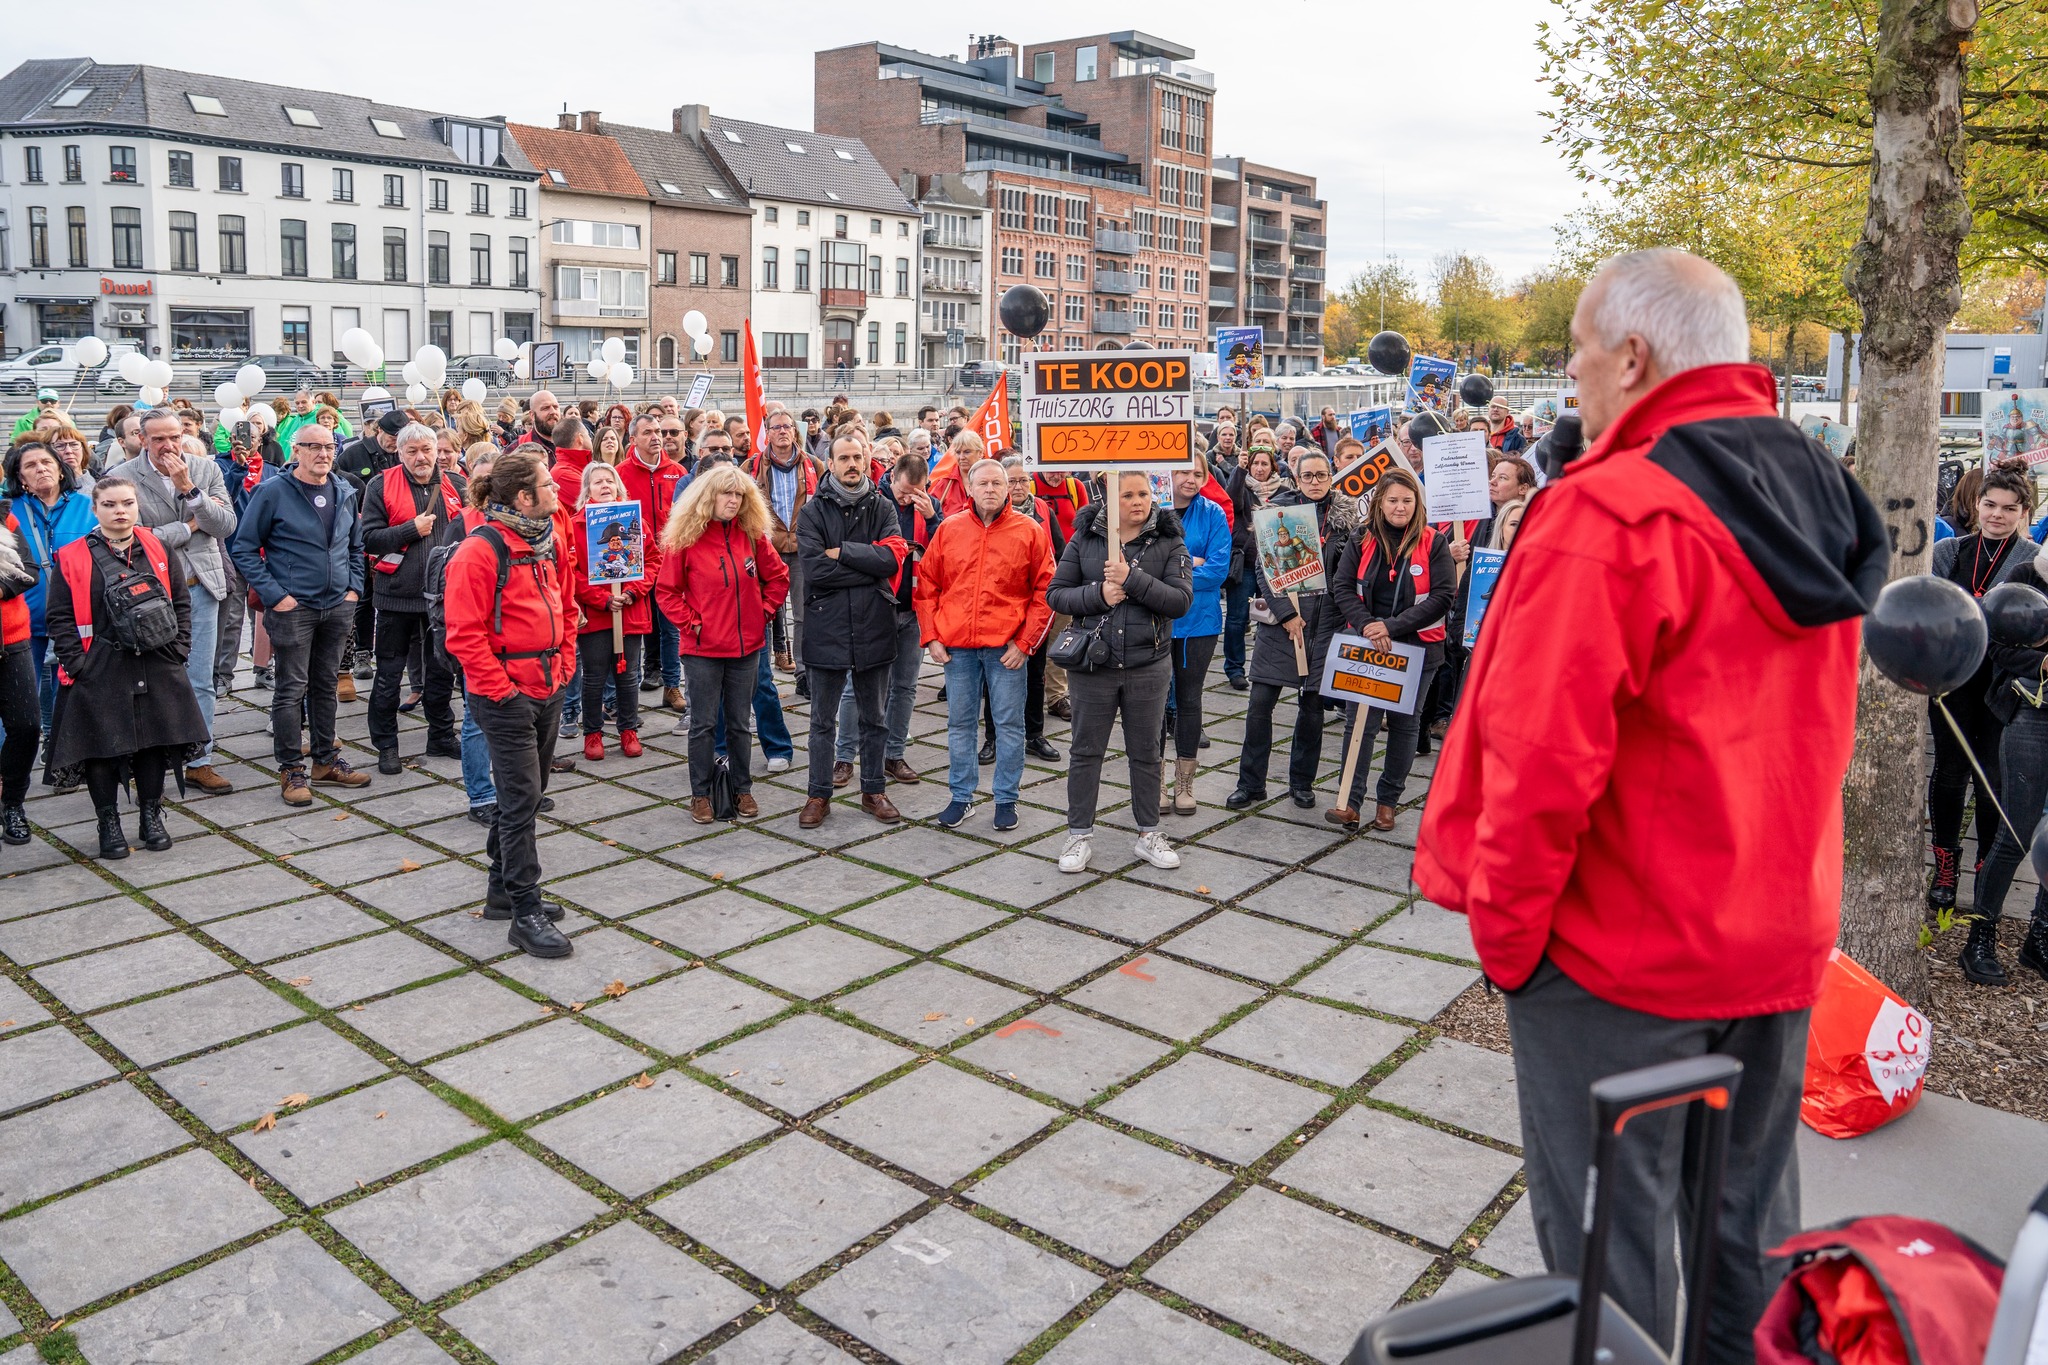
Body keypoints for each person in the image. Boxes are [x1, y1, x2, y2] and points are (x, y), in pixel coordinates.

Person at [1415, 248, 1888, 1363]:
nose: (1568, 378)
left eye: (1577, 353)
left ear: (1631, 357)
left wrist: (1508, 940)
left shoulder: (1611, 514)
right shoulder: (1815, 491)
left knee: (1604, 1264)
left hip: (1619, 953)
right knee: (1747, 1239)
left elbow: (1538, 764)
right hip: (1772, 937)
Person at [443, 449, 577, 959]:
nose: (558, 490)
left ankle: (502, 889)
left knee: (530, 791)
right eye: (548, 484)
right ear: (524, 496)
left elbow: (565, 607)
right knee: (523, 803)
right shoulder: (479, 551)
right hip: (506, 696)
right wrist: (503, 691)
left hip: (547, 686)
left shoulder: (549, 539)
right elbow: (464, 635)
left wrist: (563, 667)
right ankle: (525, 910)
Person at [43, 478, 211, 858]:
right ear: (95, 509)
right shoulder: (71, 556)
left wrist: (179, 648)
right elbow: (59, 616)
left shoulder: (158, 545)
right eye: (109, 504)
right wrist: (78, 663)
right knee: (101, 748)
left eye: (127, 503)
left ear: (137, 506)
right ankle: (109, 823)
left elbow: (180, 601)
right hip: (99, 663)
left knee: (153, 743)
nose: (120, 511)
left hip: (157, 660)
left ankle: (151, 815)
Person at [1047, 470, 1195, 871]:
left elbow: (1180, 602)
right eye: (1127, 494)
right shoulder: (1086, 538)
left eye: (1143, 493)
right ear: (1110, 501)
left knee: (1147, 752)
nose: (1137, 501)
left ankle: (1149, 832)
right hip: (1093, 667)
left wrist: (1133, 579)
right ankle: (1078, 835)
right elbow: (1056, 594)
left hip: (1148, 665)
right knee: (1085, 751)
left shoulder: (1170, 541)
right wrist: (1098, 594)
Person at [229, 420, 372, 807]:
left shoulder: (343, 490)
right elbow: (243, 547)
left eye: (329, 447)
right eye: (313, 447)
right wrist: (277, 595)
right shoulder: (272, 492)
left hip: (337, 606)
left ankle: (325, 760)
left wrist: (353, 590)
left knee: (325, 684)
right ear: (297, 450)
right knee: (292, 689)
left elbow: (355, 547)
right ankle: (292, 767)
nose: (323, 454)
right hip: (293, 608)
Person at [1930, 465, 2037, 974]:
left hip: (2002, 687)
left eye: (2009, 509)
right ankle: (1945, 863)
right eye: (1990, 505)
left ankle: (1981, 872)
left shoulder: (2031, 562)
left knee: (1992, 781)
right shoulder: (1948, 553)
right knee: (1949, 775)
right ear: (1977, 505)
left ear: (2025, 513)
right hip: (1952, 683)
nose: (1997, 516)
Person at [103, 410, 238, 794]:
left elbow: (225, 526)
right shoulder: (124, 477)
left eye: (174, 437)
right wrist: (190, 527)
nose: (169, 446)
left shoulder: (203, 468)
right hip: (150, 595)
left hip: (201, 586)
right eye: (159, 439)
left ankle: (200, 760)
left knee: (200, 679)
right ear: (142, 440)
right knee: (149, 679)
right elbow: (132, 538)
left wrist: (191, 492)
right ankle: (148, 758)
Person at [914, 458, 1053, 830]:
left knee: (1010, 726)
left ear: (1008, 488)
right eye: (983, 483)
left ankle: (1006, 799)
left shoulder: (1029, 531)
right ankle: (962, 797)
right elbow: (926, 585)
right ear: (970, 489)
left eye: (997, 483)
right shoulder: (949, 529)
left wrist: (1025, 644)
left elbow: (1046, 591)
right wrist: (931, 636)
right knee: (960, 725)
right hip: (956, 647)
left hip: (1005, 647)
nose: (990, 489)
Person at [655, 464, 788, 825]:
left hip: (746, 648)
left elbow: (778, 577)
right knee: (703, 724)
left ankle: (742, 788)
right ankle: (700, 794)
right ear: (707, 497)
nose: (734, 500)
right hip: (703, 650)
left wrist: (762, 612)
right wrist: (693, 624)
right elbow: (666, 592)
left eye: (740, 494)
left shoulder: (752, 534)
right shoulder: (685, 538)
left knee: (740, 723)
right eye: (726, 493)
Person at [1227, 449, 1358, 809]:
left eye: (1321, 475)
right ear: (1296, 478)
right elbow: (1264, 571)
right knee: (1258, 707)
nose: (1315, 482)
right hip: (1283, 627)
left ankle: (1302, 783)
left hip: (1326, 627)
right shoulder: (1276, 513)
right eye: (1308, 476)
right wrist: (1286, 614)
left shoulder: (1346, 518)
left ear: (1331, 477)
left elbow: (1351, 574)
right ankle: (1251, 783)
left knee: (1312, 711)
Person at [1325, 468, 1454, 830]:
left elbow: (1443, 595)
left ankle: (1388, 802)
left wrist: (1392, 626)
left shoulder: (1434, 541)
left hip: (1417, 647)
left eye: (1407, 501)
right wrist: (1368, 624)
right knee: (1359, 723)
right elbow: (1343, 586)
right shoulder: (1360, 538)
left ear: (1418, 503)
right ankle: (1349, 802)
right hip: (1365, 645)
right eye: (1393, 500)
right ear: (1380, 502)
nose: (1400, 507)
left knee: (1404, 723)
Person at [796, 434, 909, 828]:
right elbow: (814, 569)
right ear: (830, 462)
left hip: (874, 624)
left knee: (875, 718)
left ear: (866, 460)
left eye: (857, 457)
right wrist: (867, 564)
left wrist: (842, 551)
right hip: (825, 625)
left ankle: (873, 790)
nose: (851, 464)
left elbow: (892, 560)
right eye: (843, 457)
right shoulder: (811, 512)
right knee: (822, 721)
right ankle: (818, 794)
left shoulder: (882, 507)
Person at [359, 422, 465, 774]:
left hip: (442, 599)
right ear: (398, 453)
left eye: (427, 450)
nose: (421, 457)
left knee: (439, 672)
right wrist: (409, 529)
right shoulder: (380, 484)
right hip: (395, 598)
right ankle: (386, 745)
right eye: (412, 451)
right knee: (388, 675)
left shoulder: (457, 485)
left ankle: (440, 735)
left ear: (438, 450)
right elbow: (368, 539)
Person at [1968, 526, 2048, 987]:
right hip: (2031, 716)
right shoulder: (2024, 575)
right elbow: (1991, 642)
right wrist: (2040, 663)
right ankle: (1980, 935)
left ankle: (2039, 937)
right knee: (2014, 833)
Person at [5, 442, 94, 741]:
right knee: (21, 696)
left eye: (46, 462)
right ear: (19, 478)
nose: (40, 468)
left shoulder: (88, 506)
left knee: (72, 691)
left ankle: (61, 751)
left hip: (78, 617)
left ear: (60, 469)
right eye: (30, 465)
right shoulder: (8, 511)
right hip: (26, 621)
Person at [570, 462, 657, 761]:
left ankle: (628, 730)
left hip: (630, 611)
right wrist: (601, 599)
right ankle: (593, 733)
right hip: (596, 614)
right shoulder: (576, 525)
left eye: (610, 480)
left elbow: (653, 560)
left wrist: (633, 592)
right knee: (594, 675)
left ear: (619, 486)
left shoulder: (636, 521)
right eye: (597, 482)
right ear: (587, 490)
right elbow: (572, 572)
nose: (605, 485)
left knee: (628, 673)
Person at [1160, 453, 1232, 815]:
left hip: (1199, 623)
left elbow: (1219, 570)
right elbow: (1140, 562)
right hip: (1155, 620)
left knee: (1189, 700)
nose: (1190, 478)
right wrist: (1190, 563)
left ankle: (1184, 781)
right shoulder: (1153, 508)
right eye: (1184, 471)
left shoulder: (1214, 514)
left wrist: (1168, 575)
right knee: (1153, 703)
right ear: (1169, 473)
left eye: (1198, 473)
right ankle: (1155, 780)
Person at [619, 414, 689, 712]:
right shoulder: (620, 474)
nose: (656, 437)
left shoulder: (677, 472)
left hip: (669, 561)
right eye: (648, 432)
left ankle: (672, 686)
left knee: (671, 628)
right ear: (633, 438)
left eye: (658, 431)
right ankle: (625, 695)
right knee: (633, 631)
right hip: (635, 564)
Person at [748, 409, 814, 681]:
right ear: (768, 433)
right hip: (767, 550)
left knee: (802, 614)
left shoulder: (812, 464)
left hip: (801, 550)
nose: (783, 431)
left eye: (787, 426)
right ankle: (760, 674)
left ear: (795, 430)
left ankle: (803, 672)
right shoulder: (753, 467)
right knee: (763, 611)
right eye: (776, 427)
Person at [1222, 440, 1286, 691]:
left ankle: (1265, 668)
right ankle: (1234, 668)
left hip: (1273, 564)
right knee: (1237, 618)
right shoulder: (1242, 485)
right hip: (1247, 563)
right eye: (1255, 463)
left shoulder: (1282, 490)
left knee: (1270, 618)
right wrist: (1239, 470)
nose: (1259, 468)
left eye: (1264, 463)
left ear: (1273, 467)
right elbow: (1230, 500)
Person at [0, 501, 38, 845]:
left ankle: (12, 803)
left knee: (27, 727)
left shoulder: (4, 516)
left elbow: (29, 568)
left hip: (12, 640)